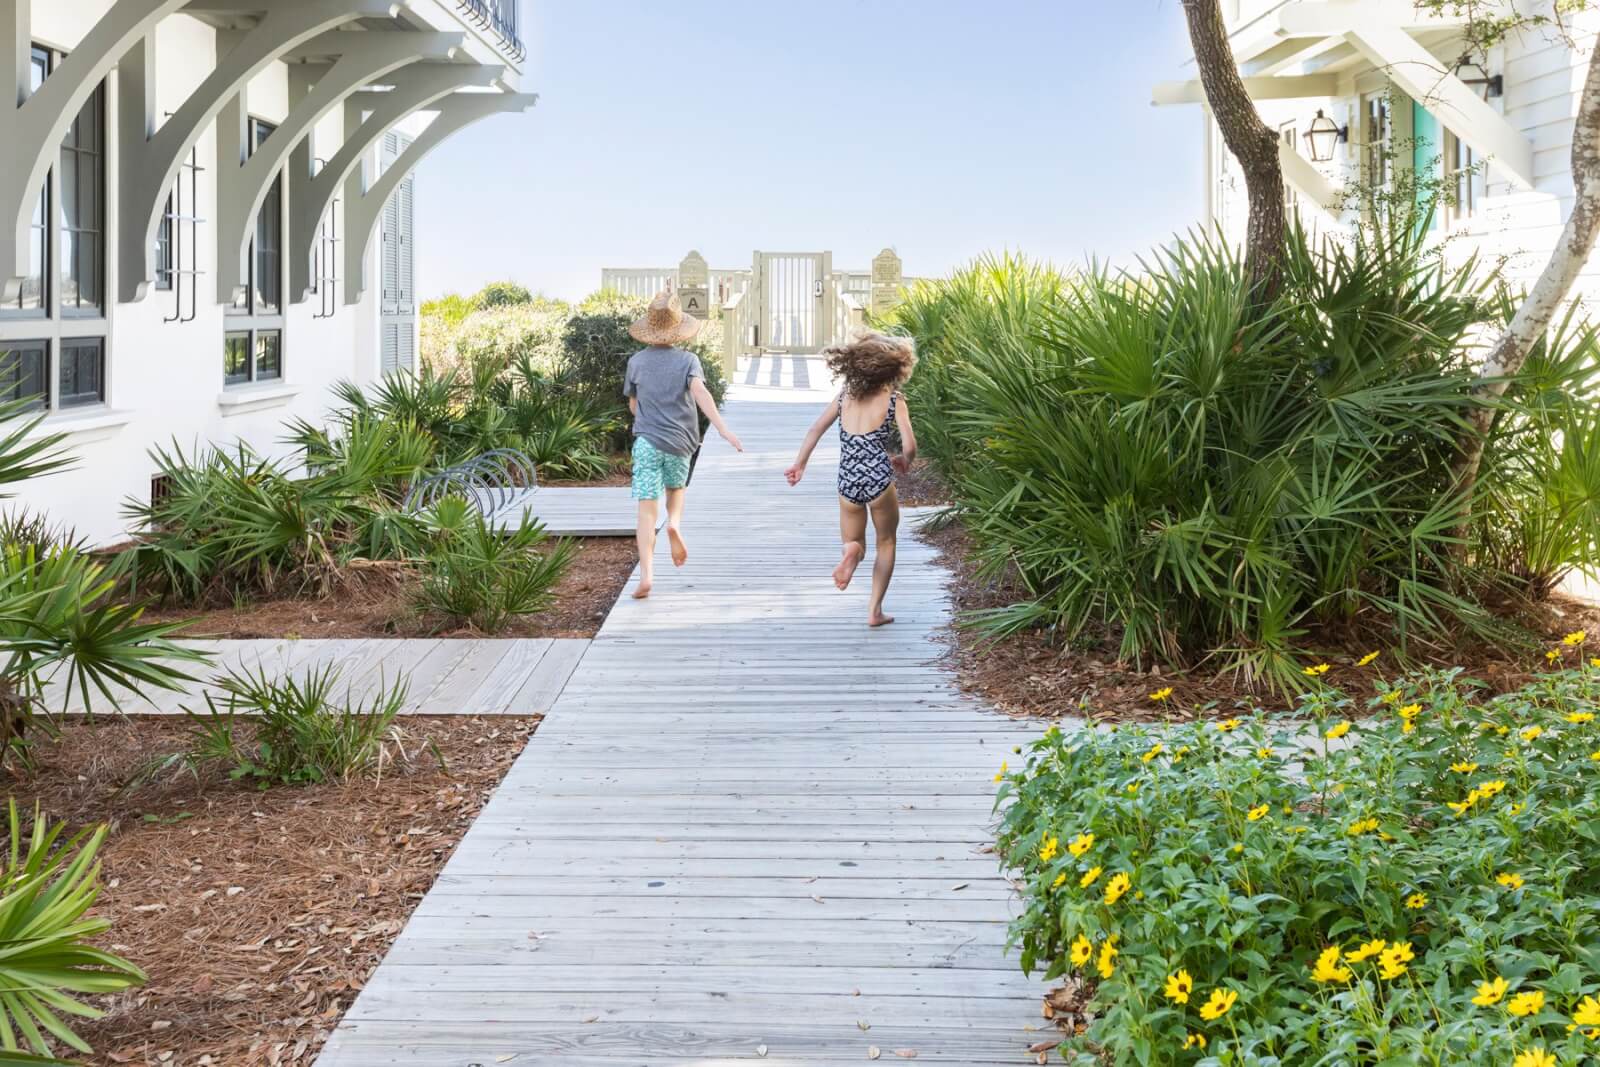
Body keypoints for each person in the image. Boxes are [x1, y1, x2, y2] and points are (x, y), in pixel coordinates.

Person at [784, 329, 917, 627]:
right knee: (886, 542)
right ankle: (874, 610)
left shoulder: (844, 396)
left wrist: (800, 464)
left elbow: (815, 429)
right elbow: (909, 445)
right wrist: (904, 460)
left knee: (855, 541)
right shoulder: (895, 400)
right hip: (879, 478)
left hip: (847, 479)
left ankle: (850, 556)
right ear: (895, 368)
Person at [624, 290, 743, 600]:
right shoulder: (688, 360)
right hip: (680, 442)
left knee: (645, 511)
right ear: (677, 329)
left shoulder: (636, 362)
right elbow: (701, 393)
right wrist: (723, 429)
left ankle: (646, 576)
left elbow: (634, 406)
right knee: (676, 491)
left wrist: (650, 411)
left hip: (647, 442)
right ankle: (674, 524)